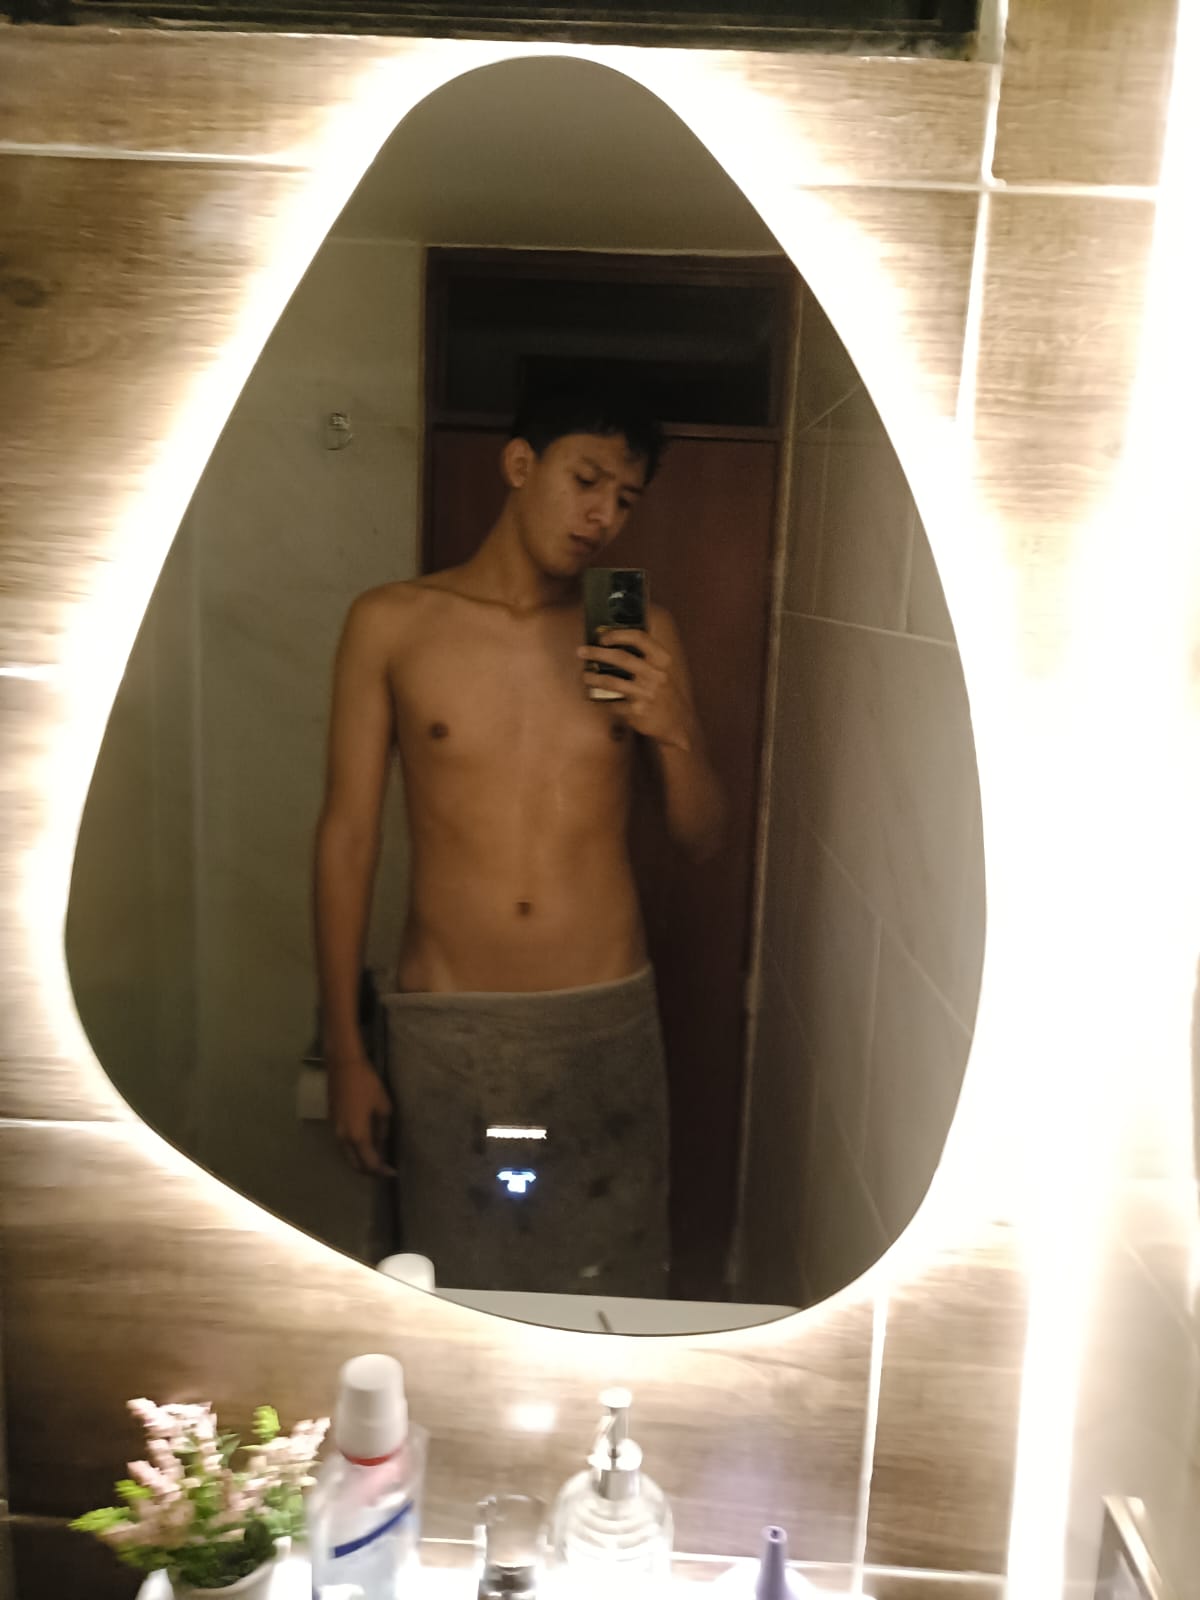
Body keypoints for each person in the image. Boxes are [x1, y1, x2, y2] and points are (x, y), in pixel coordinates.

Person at [313, 380, 724, 1295]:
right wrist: (345, 1049)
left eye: (625, 499)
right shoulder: (392, 624)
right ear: (519, 463)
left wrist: (675, 731)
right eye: (587, 479)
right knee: (459, 1291)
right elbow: (347, 839)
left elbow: (702, 839)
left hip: (603, 1018)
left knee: (613, 1287)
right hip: (448, 1025)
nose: (603, 515)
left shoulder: (644, 635)